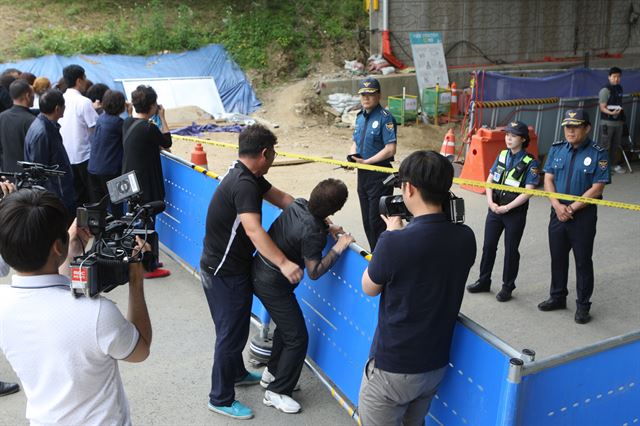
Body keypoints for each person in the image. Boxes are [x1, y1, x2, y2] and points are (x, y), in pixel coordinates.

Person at [0, 189, 152, 425]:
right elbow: (139, 350)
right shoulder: (98, 313)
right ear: (56, 247)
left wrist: (68, 253)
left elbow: (50, 299)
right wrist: (136, 280)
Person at [358, 150, 476, 426]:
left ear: (408, 188)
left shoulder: (394, 243)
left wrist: (390, 234)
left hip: (392, 369)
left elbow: (369, 287)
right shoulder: (465, 237)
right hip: (433, 365)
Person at [200, 124, 303, 420]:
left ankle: (236, 373)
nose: (272, 159)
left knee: (236, 328)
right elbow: (254, 230)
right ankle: (220, 397)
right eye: (273, 154)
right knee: (230, 333)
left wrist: (313, 214)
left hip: (231, 267)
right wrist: (284, 262)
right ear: (264, 152)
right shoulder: (243, 184)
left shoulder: (250, 176)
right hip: (222, 272)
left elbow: (284, 199)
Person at [253, 178, 355, 414]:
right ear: (336, 209)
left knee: (287, 329)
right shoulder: (314, 232)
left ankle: (273, 374)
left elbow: (306, 228)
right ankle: (277, 392)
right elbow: (315, 271)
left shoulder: (298, 204)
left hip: (260, 272)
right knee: (297, 337)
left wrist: (327, 228)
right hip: (272, 284)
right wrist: (339, 246)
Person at [539, 109, 610, 324]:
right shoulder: (557, 149)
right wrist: (557, 205)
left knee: (582, 262)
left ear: (587, 128)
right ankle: (557, 296)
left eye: (576, 126)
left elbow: (597, 188)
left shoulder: (599, 153)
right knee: (558, 257)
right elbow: (548, 179)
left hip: (582, 217)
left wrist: (571, 208)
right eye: (567, 127)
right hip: (557, 213)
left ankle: (582, 306)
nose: (570, 131)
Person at [467, 121, 539, 302]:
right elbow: (490, 180)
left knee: (511, 251)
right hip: (495, 209)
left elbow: (529, 190)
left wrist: (507, 207)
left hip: (514, 212)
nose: (508, 138)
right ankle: (484, 280)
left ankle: (507, 287)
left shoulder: (531, 162)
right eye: (507, 134)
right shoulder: (502, 155)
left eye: (513, 135)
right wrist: (491, 202)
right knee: (488, 246)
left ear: (522, 139)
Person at [122, 85, 172, 279]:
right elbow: (166, 141)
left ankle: (147, 257)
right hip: (145, 183)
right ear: (152, 105)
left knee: (137, 221)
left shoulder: (128, 123)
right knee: (147, 222)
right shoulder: (148, 127)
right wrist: (163, 117)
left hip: (130, 180)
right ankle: (147, 265)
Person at [349, 76, 397, 251]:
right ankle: (374, 256)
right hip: (363, 174)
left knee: (377, 221)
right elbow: (355, 141)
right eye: (363, 95)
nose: (366, 98)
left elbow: (390, 149)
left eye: (370, 94)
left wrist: (367, 162)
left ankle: (383, 257)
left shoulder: (386, 118)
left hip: (380, 174)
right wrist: (352, 157)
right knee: (367, 222)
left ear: (378, 95)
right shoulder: (359, 117)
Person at [24, 89, 75, 218]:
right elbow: (38, 171)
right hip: (55, 195)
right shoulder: (43, 132)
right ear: (58, 108)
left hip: (58, 192)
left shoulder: (47, 126)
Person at [58, 64, 98, 208]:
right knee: (90, 197)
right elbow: (95, 130)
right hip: (84, 156)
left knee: (74, 198)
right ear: (79, 80)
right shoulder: (84, 102)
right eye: (84, 77)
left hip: (65, 156)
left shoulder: (61, 98)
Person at [88, 89, 126, 216]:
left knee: (99, 207)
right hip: (111, 170)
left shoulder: (101, 118)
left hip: (93, 167)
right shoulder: (119, 123)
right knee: (117, 205)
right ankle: (118, 232)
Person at [0, 80, 36, 172]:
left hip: (7, 174)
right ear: (28, 96)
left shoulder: (2, 117)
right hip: (27, 177)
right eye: (32, 94)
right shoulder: (31, 120)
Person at [598, 67, 626, 174]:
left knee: (615, 145)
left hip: (618, 122)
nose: (616, 79)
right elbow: (602, 107)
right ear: (609, 77)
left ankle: (613, 165)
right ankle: (603, 168)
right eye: (614, 77)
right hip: (607, 122)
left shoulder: (620, 89)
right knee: (605, 146)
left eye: (619, 77)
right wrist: (612, 113)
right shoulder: (605, 90)